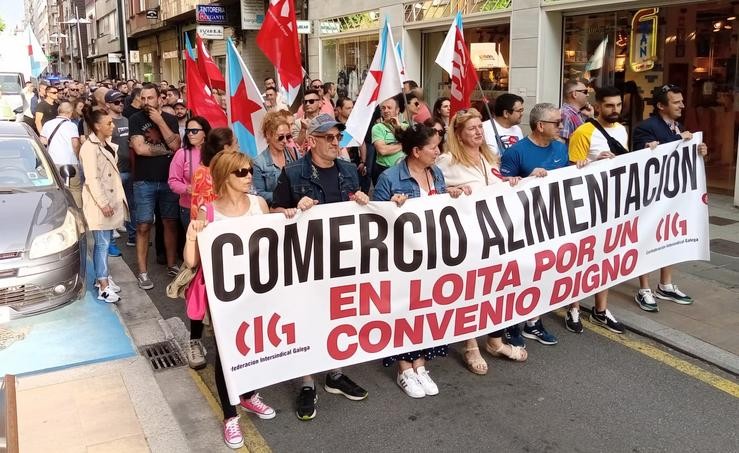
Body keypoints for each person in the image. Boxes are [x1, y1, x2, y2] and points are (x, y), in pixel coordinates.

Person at [271, 113, 370, 420]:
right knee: (306, 317)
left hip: (343, 257)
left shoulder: (349, 170)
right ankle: (306, 383)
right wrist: (291, 209)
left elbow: (363, 203)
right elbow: (275, 210)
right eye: (328, 137)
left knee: (338, 314)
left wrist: (363, 199)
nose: (335, 142)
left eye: (338, 137)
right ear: (311, 141)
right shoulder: (294, 172)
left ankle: (335, 373)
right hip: (306, 259)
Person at [183, 151, 276, 449]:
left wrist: (291, 211)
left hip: (260, 292)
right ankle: (229, 415)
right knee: (227, 354)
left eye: (249, 170)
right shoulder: (207, 211)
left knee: (255, 346)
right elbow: (191, 261)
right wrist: (193, 233)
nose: (249, 175)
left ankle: (249, 397)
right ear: (224, 176)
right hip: (225, 297)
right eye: (241, 172)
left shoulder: (260, 205)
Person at [373, 124, 465, 397]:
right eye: (433, 147)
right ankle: (404, 368)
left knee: (427, 309)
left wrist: (453, 194)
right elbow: (375, 221)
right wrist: (391, 205)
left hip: (433, 256)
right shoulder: (390, 178)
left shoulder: (435, 172)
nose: (438, 152)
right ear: (415, 151)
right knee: (404, 311)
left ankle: (420, 365)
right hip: (403, 259)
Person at [435, 108, 527, 374]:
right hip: (468, 240)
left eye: (480, 126)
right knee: (472, 291)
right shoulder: (447, 161)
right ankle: (471, 345)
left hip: (497, 236)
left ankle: (495, 340)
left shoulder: (489, 156)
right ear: (459, 134)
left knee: (497, 288)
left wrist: (512, 182)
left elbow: (494, 186)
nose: (478, 131)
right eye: (472, 128)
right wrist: (449, 192)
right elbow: (434, 191)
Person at [631, 84, 709, 310]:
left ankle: (665, 284)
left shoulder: (679, 126)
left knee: (669, 237)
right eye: (676, 102)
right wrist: (672, 143)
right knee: (646, 238)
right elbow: (639, 157)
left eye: (682, 101)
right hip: (650, 196)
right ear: (661, 106)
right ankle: (644, 287)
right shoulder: (645, 128)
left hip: (674, 197)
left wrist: (699, 150)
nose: (682, 106)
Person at [501, 103, 569, 347]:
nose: (562, 126)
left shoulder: (562, 148)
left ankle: (533, 322)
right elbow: (502, 190)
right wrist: (527, 180)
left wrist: (589, 165)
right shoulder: (516, 153)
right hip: (521, 227)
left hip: (552, 225)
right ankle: (509, 324)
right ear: (540, 126)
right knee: (518, 276)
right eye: (556, 122)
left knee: (542, 274)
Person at [567, 86, 631, 334]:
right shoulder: (584, 132)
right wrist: (594, 163)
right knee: (580, 258)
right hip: (587, 204)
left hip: (614, 204)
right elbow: (571, 171)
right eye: (609, 106)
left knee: (606, 257)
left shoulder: (623, 129)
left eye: (618, 105)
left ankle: (600, 310)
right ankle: (574, 308)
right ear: (598, 105)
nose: (614, 110)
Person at [183, 127, 238, 370]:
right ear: (225, 148)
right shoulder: (204, 173)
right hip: (212, 243)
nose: (237, 147)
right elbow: (201, 211)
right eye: (234, 143)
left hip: (235, 246)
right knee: (201, 295)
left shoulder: (236, 172)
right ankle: (194, 341)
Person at [129, 83, 182, 290]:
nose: (146, 102)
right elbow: (141, 149)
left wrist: (160, 121)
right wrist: (166, 150)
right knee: (143, 225)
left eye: (150, 98)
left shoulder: (169, 119)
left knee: (170, 222)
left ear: (160, 99)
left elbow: (176, 145)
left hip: (168, 179)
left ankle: (171, 265)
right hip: (144, 180)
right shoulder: (135, 120)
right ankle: (142, 272)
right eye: (143, 98)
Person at [79, 107, 128, 304]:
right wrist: (103, 203)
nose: (113, 126)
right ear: (97, 126)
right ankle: (103, 285)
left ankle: (104, 278)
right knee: (102, 244)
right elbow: (92, 179)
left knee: (105, 242)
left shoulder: (104, 143)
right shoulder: (89, 148)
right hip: (100, 203)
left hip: (109, 200)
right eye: (109, 123)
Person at [169, 116, 212, 231]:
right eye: (188, 131)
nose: (190, 134)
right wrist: (187, 188)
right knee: (193, 243)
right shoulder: (182, 153)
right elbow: (173, 181)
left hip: (213, 207)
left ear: (205, 133)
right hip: (189, 207)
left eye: (194, 131)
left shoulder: (215, 153)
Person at [40, 101, 82, 207]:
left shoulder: (47, 124)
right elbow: (75, 144)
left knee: (54, 190)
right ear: (70, 112)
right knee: (75, 189)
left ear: (59, 111)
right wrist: (78, 158)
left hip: (52, 162)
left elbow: (43, 142)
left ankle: (56, 211)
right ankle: (76, 213)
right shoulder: (71, 125)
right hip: (69, 162)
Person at [106, 90, 133, 250]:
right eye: (116, 102)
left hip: (128, 168)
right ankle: (111, 243)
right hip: (113, 170)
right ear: (108, 104)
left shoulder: (126, 120)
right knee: (112, 206)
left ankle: (132, 236)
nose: (121, 104)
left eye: (122, 101)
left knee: (130, 205)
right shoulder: (106, 122)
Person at [253, 111, 300, 205]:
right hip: (276, 212)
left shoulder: (294, 153)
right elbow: (259, 194)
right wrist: (281, 196)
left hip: (297, 209)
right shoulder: (259, 163)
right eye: (280, 137)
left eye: (288, 136)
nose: (285, 141)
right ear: (268, 135)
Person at [335, 97, 370, 192]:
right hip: (337, 164)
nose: (351, 111)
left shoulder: (355, 125)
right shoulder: (333, 125)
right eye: (348, 108)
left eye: (352, 108)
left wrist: (363, 162)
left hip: (355, 163)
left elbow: (361, 143)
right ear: (339, 109)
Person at [371, 96, 406, 184]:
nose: (386, 110)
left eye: (389, 108)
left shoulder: (405, 126)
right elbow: (382, 150)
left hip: (403, 169)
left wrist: (398, 127)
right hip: (385, 170)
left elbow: (414, 143)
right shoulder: (377, 128)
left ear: (397, 110)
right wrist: (404, 145)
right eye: (383, 108)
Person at [560, 79, 594, 144]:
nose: (588, 95)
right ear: (574, 94)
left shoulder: (580, 113)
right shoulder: (566, 115)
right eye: (585, 92)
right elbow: (562, 145)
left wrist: (591, 117)